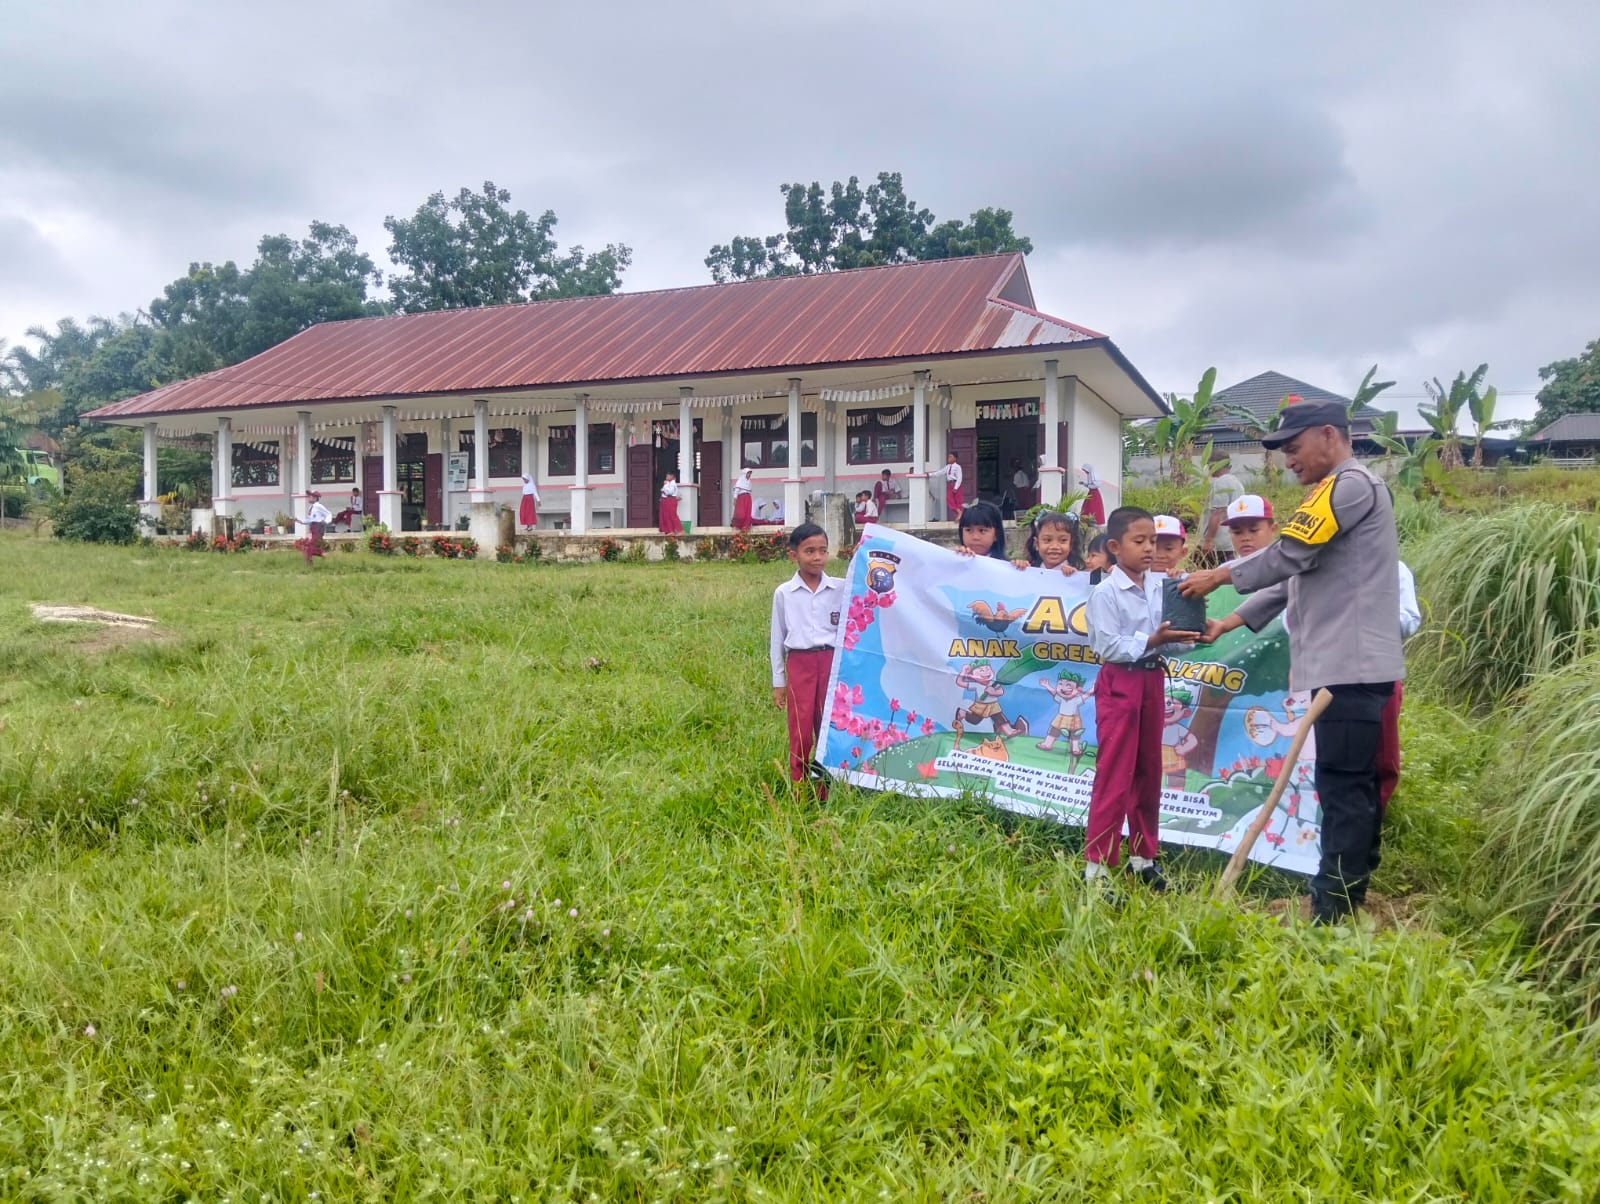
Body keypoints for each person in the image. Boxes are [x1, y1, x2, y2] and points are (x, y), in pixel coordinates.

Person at [1179, 399, 1404, 924]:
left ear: (1329, 434)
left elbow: (1287, 556)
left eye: (1294, 447)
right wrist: (1228, 622)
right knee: (1346, 780)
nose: (1288, 460)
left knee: (1344, 783)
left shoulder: (1349, 486)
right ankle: (1345, 887)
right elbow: (1294, 577)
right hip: (1343, 666)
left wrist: (1218, 576)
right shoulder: (1335, 491)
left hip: (1350, 666)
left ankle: (1334, 905)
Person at [1083, 506, 1202, 894]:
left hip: (1152, 680)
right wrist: (1153, 640)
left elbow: (1170, 641)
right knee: (1115, 772)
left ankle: (1143, 857)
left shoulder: (1162, 586)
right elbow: (1108, 646)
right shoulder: (1105, 592)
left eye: (1153, 541)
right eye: (1140, 541)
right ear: (1115, 547)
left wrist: (1192, 636)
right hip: (1120, 682)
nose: (1150, 548)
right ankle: (1097, 866)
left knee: (1149, 770)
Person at [770, 522, 843, 788]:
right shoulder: (784, 593)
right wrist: (779, 682)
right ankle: (799, 786)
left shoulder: (841, 589)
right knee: (800, 728)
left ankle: (826, 786)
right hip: (800, 663)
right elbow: (777, 640)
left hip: (831, 663)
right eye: (809, 551)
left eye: (823, 550)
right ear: (793, 555)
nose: (817, 557)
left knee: (829, 726)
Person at [1200, 457, 1245, 566]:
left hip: (1217, 543)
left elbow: (1217, 513)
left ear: (1214, 466)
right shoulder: (1238, 483)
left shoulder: (1220, 483)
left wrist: (1208, 540)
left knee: (1194, 571)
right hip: (1229, 542)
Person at [1013, 510, 1082, 575]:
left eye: (1063, 540)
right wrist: (1017, 568)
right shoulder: (1029, 571)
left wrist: (1075, 577)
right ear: (1037, 544)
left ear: (1071, 544)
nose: (1055, 546)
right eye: (1047, 540)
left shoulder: (1078, 575)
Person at [1221, 494, 1276, 559]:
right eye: (1237, 532)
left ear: (1272, 530)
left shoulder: (1282, 563)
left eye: (1253, 530)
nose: (1245, 538)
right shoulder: (1230, 565)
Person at [303, 492, 332, 565]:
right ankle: (322, 554)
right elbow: (310, 519)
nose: (308, 498)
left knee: (310, 545)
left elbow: (328, 513)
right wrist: (299, 521)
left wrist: (326, 521)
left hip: (318, 527)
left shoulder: (318, 506)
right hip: (313, 527)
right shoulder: (311, 507)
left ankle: (309, 562)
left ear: (315, 498)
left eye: (310, 497)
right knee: (311, 545)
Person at [732, 467, 755, 531]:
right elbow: (736, 490)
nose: (749, 475)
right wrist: (735, 499)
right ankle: (738, 525)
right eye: (748, 473)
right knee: (741, 513)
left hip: (748, 497)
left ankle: (745, 527)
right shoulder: (740, 480)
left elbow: (749, 490)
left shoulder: (749, 482)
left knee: (748, 513)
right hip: (741, 498)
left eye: (750, 473)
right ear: (745, 473)